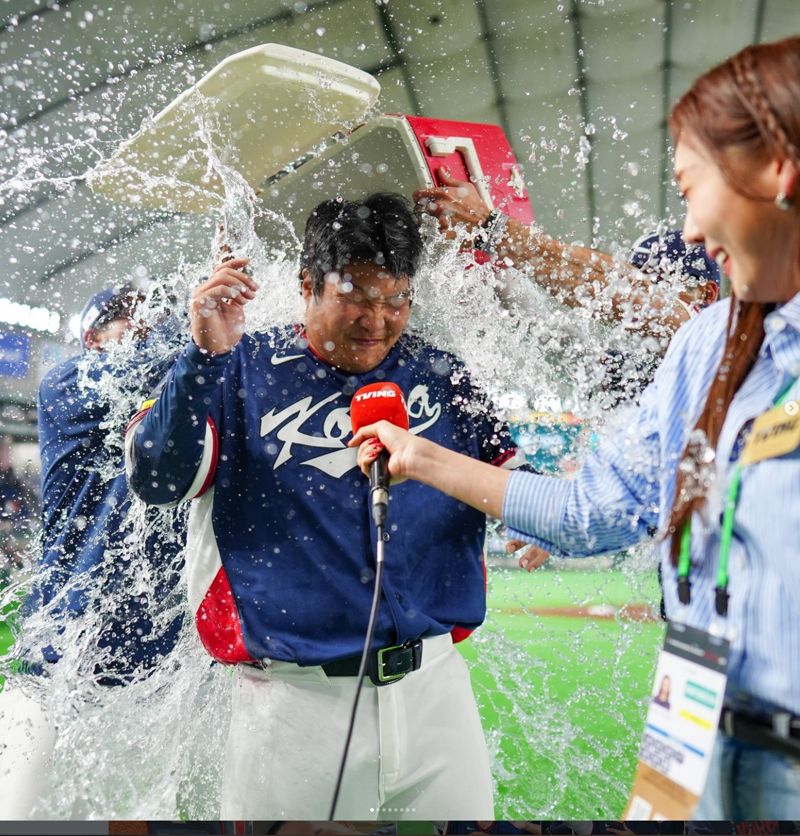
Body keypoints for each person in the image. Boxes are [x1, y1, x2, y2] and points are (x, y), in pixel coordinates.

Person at [352, 37, 800, 819]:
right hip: (690, 705)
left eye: (692, 187)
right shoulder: (706, 348)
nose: (691, 230)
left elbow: (627, 291)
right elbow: (589, 511)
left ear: (777, 172)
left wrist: (501, 234)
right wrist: (419, 457)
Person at [125, 193, 521, 820]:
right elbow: (155, 478)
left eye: (397, 298)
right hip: (292, 706)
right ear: (307, 284)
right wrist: (201, 359)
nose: (379, 319)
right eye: (357, 296)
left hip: (437, 689)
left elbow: (515, 483)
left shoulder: (442, 374)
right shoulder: (237, 368)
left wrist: (541, 522)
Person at [0, 286, 185, 817]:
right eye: (129, 319)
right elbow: (175, 362)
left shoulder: (182, 401)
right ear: (91, 338)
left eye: (155, 317)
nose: (146, 326)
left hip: (154, 681)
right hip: (55, 671)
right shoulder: (69, 383)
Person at [414, 174, 718, 337]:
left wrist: (489, 227)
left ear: (706, 293)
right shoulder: (622, 359)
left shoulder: (714, 335)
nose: (641, 288)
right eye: (636, 274)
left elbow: (609, 286)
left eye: (654, 282)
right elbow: (541, 327)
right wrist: (484, 263)